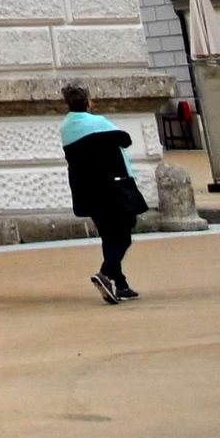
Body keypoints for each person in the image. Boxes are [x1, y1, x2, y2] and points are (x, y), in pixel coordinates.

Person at [60, 82, 147, 301]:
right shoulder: (99, 122)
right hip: (112, 187)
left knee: (108, 235)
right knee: (124, 234)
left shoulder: (66, 127)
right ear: (89, 101)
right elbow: (125, 139)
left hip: (86, 190)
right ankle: (106, 273)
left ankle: (121, 284)